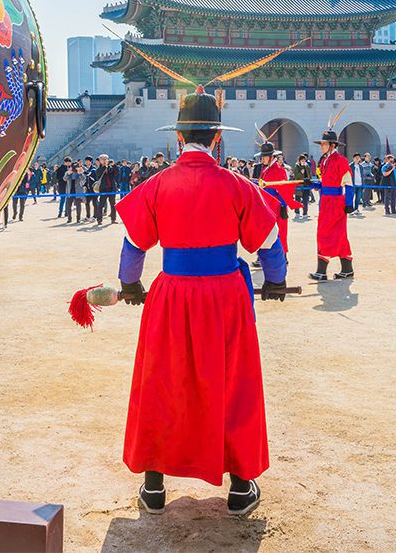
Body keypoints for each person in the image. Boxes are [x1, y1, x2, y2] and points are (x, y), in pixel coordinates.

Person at [113, 86, 287, 517]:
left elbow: (134, 246)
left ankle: (154, 487)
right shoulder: (238, 185)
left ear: (178, 138)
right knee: (233, 383)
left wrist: (131, 286)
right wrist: (275, 283)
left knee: (162, 381)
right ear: (216, 139)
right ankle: (241, 487)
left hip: (172, 293)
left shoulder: (156, 185)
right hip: (226, 296)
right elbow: (269, 243)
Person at [308, 127, 355, 281]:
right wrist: (315, 183)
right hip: (326, 201)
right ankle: (347, 269)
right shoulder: (324, 160)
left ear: (332, 145)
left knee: (324, 234)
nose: (321, 146)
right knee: (338, 235)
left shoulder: (340, 160)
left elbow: (348, 183)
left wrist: (349, 203)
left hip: (335, 203)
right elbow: (326, 182)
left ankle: (321, 271)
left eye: (324, 144)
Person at [255, 142, 298, 256]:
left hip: (277, 207)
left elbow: (284, 190)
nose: (262, 159)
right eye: (262, 157)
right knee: (267, 232)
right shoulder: (266, 169)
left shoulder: (278, 169)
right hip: (267, 206)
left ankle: (283, 256)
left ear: (271, 157)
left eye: (264, 157)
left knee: (280, 232)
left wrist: (284, 206)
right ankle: (265, 256)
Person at [292, 154, 314, 218]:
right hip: (298, 185)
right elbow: (296, 176)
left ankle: (305, 213)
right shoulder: (297, 166)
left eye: (304, 160)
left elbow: (310, 175)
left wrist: (308, 178)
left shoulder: (307, 166)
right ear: (299, 160)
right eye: (302, 160)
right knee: (297, 200)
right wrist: (300, 173)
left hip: (306, 185)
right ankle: (297, 212)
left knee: (305, 200)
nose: (303, 161)